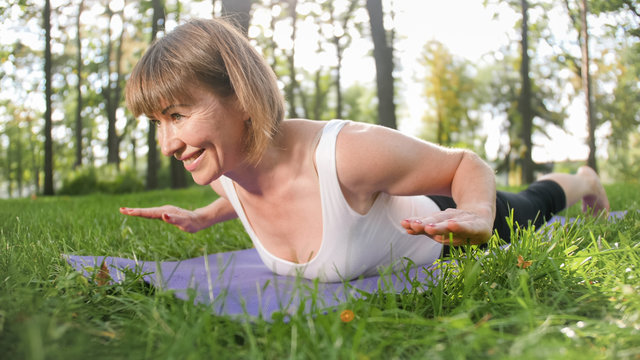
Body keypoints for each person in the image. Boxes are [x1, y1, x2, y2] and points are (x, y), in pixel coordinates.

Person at [120, 19, 610, 282]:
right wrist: (202, 218)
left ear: (241, 99)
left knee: (530, 205)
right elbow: (250, 188)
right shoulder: (228, 163)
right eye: (159, 123)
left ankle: (584, 180)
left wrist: (478, 212)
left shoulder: (346, 155)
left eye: (178, 115)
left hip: (442, 219)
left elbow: (466, 164)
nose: (168, 143)